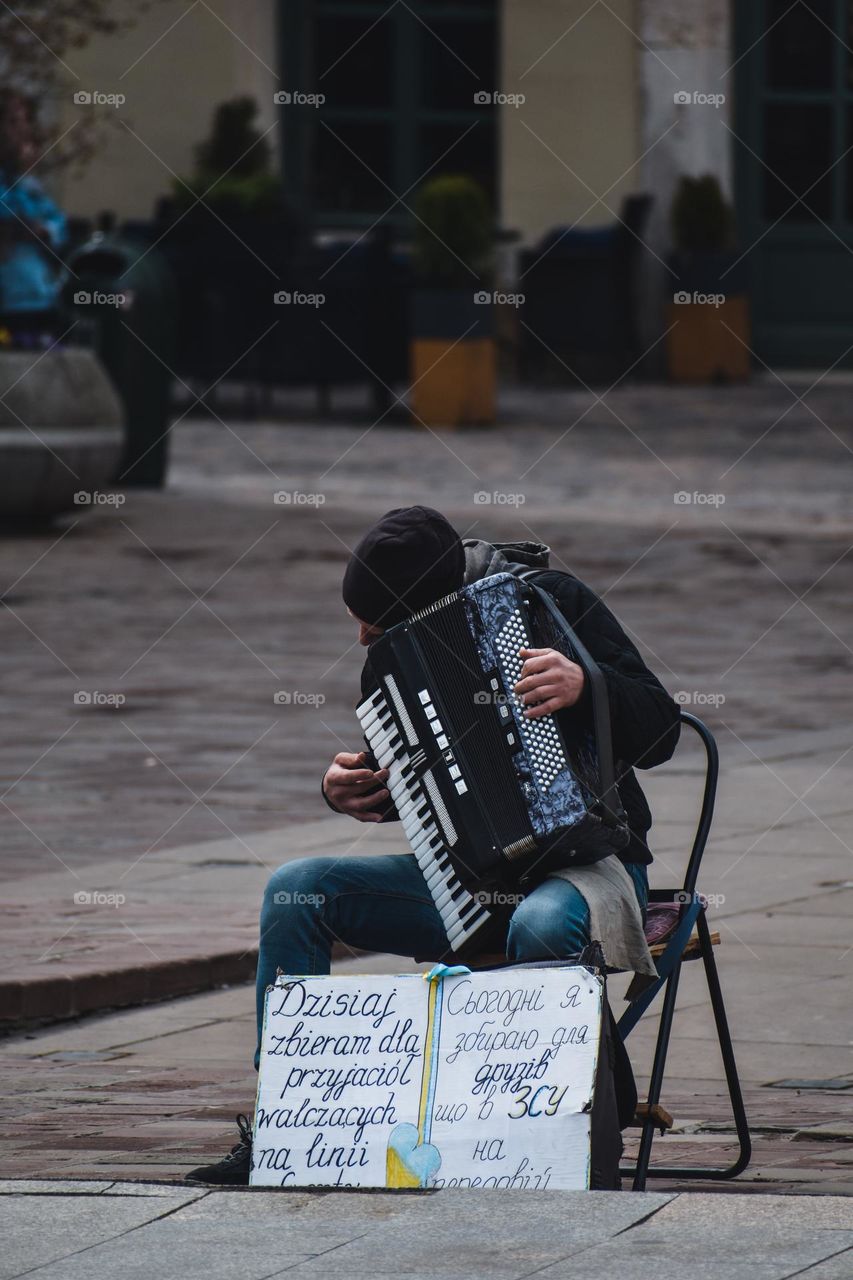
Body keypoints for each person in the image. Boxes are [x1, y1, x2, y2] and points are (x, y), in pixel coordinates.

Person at [186, 506, 680, 1184]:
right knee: (297, 891)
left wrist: (584, 685)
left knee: (539, 924)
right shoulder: (396, 663)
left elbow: (661, 732)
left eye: (375, 620)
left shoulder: (553, 601)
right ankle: (285, 1128)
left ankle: (557, 1138)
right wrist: (345, 789)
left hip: (587, 867)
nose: (361, 636)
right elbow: (430, 794)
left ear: (425, 607)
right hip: (464, 877)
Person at [0, 90, 67, 346]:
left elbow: (55, 223)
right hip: (10, 298)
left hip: (35, 296)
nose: (23, 131)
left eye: (25, 121)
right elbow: (11, 215)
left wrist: (46, 231)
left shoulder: (26, 183)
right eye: (14, 122)